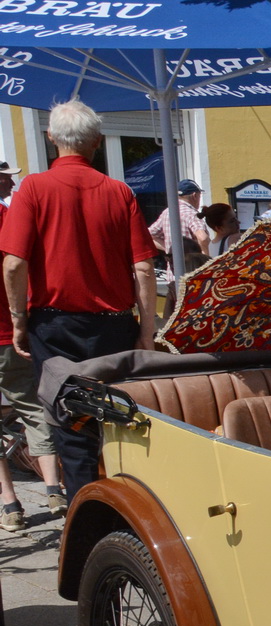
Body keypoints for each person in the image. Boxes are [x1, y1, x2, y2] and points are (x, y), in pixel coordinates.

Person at [0, 99, 155, 500]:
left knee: (70, 427)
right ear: (97, 143)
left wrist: (18, 320)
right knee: (121, 421)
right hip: (115, 326)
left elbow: (14, 264)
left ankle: (84, 518)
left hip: (55, 326)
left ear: (51, 138)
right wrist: (147, 333)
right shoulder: (119, 192)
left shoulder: (33, 188)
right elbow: (143, 269)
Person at [0, 178, 59, 530]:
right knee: (33, 410)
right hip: (12, 334)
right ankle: (53, 488)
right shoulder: (10, 218)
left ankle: (11, 507)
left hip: (9, 334)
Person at [149, 178, 209, 271]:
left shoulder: (167, 212)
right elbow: (203, 238)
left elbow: (148, 236)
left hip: (173, 273)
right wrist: (206, 260)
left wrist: (169, 249)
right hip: (192, 271)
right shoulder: (191, 214)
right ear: (195, 195)